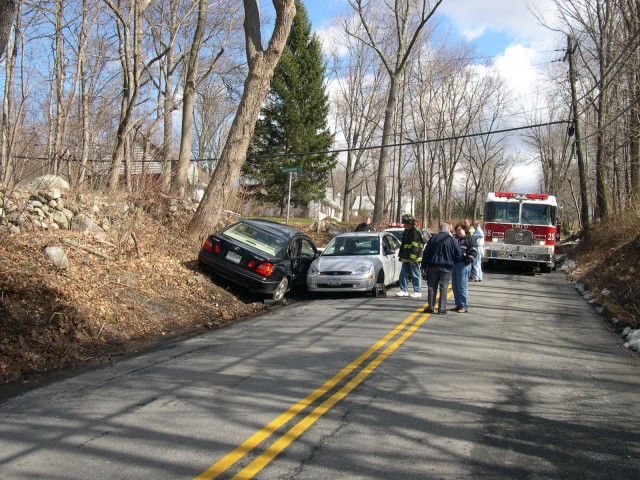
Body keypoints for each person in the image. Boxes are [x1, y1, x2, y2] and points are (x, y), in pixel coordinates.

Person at [421, 223, 462, 314]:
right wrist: (453, 261)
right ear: (448, 229)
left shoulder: (433, 238)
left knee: (431, 287)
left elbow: (426, 253)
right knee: (444, 287)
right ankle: (442, 308)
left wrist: (423, 265)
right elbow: (459, 254)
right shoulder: (451, 239)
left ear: (440, 229)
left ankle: (431, 306)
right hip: (446, 267)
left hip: (433, 266)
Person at [395, 213, 425, 298]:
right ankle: (404, 290)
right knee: (403, 274)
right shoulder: (406, 232)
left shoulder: (415, 233)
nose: (404, 225)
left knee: (415, 274)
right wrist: (402, 255)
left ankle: (418, 291)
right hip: (406, 257)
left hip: (413, 258)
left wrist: (412, 258)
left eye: (405, 224)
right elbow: (404, 245)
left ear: (410, 223)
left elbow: (415, 247)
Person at [451, 224, 477, 313]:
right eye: (457, 230)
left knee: (462, 286)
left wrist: (468, 260)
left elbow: (474, 251)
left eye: (460, 230)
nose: (458, 232)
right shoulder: (455, 240)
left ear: (464, 230)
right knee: (455, 286)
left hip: (463, 265)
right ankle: (458, 305)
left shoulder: (469, 239)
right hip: (455, 264)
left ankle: (464, 306)